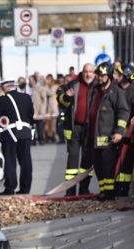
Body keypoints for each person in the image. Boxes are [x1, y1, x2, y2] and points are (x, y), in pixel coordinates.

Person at [89, 62, 130, 201]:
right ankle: (103, 191)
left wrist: (119, 132)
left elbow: (123, 112)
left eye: (102, 75)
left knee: (108, 168)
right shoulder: (95, 91)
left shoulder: (116, 92)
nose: (100, 78)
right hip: (94, 138)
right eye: (98, 75)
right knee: (98, 167)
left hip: (108, 139)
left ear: (109, 76)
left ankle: (109, 194)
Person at [57, 63, 96, 196]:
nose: (88, 74)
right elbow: (62, 101)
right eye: (86, 71)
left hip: (89, 128)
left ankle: (84, 188)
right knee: (72, 159)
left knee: (87, 159)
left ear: (95, 73)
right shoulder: (73, 84)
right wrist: (66, 96)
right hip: (74, 128)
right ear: (82, 72)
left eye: (91, 72)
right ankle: (70, 190)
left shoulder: (97, 87)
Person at [0, 79, 34, 195]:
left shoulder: (2, 100)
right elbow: (31, 114)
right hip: (25, 132)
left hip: (10, 133)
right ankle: (25, 188)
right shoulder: (26, 97)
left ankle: (10, 187)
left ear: (4, 88)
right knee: (26, 161)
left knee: (10, 161)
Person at [114, 62, 134, 198]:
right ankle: (115, 188)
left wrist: (130, 130)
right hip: (116, 133)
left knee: (126, 164)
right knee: (115, 162)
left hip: (128, 135)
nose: (117, 76)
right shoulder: (116, 89)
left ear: (127, 76)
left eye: (120, 74)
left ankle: (123, 189)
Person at [32, 74, 54, 145]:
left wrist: (46, 85)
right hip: (35, 109)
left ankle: (46, 138)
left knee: (47, 126)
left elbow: (48, 94)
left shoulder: (51, 87)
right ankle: (35, 139)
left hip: (48, 109)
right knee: (35, 126)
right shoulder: (37, 87)